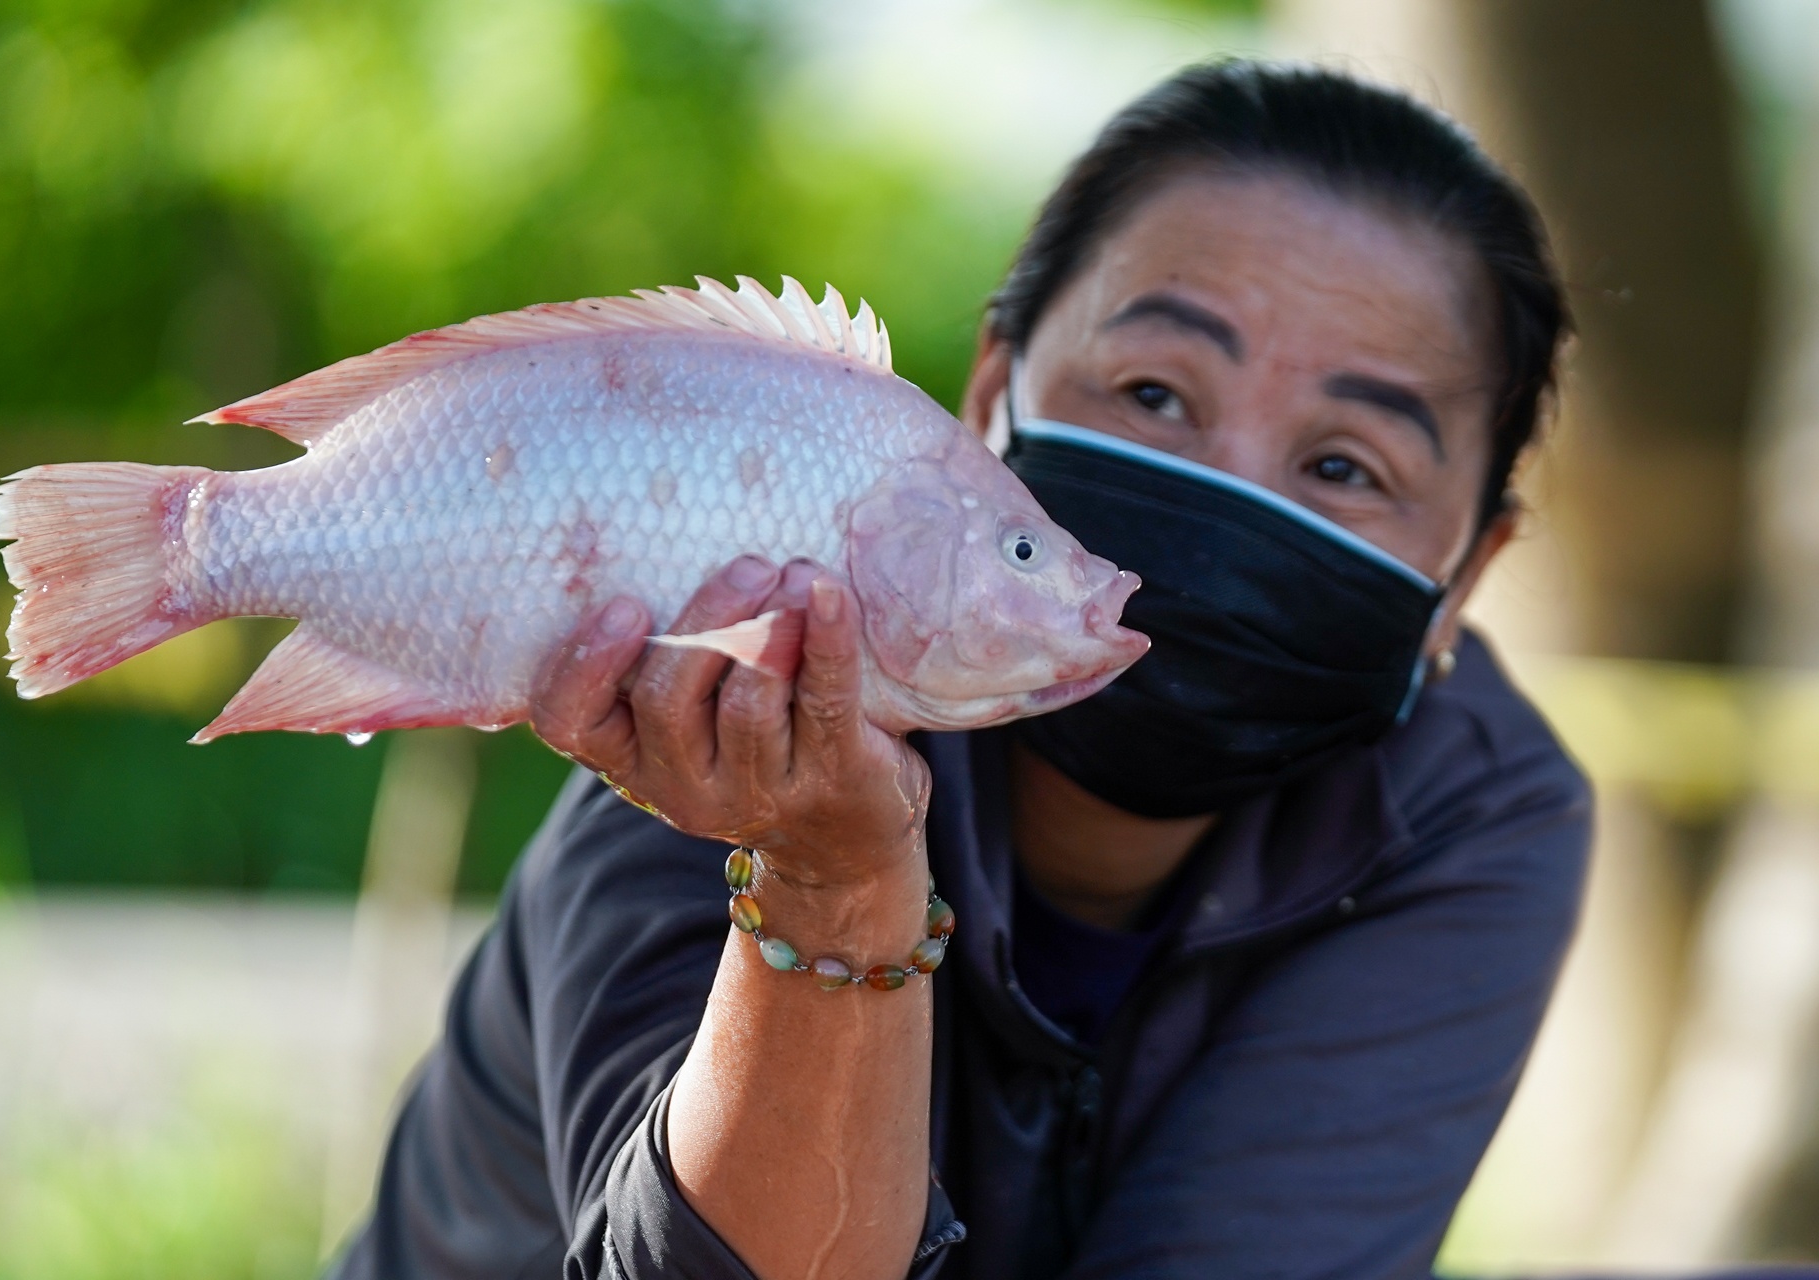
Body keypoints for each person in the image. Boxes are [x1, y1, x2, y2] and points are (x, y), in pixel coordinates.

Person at [332, 60, 1591, 1279]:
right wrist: (830, 870)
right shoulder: (735, 679)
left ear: (1468, 576)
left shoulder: (1480, 803)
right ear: (990, 393)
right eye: (1154, 391)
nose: (1227, 493)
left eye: (1344, 467)